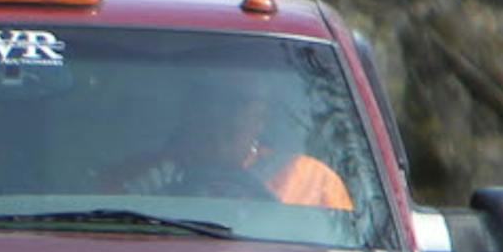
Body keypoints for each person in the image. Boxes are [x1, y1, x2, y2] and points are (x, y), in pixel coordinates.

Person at [104, 82, 353, 210]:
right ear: (187, 111)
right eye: (207, 99)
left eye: (237, 103)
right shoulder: (135, 178)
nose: (218, 114)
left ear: (263, 116)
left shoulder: (311, 180)